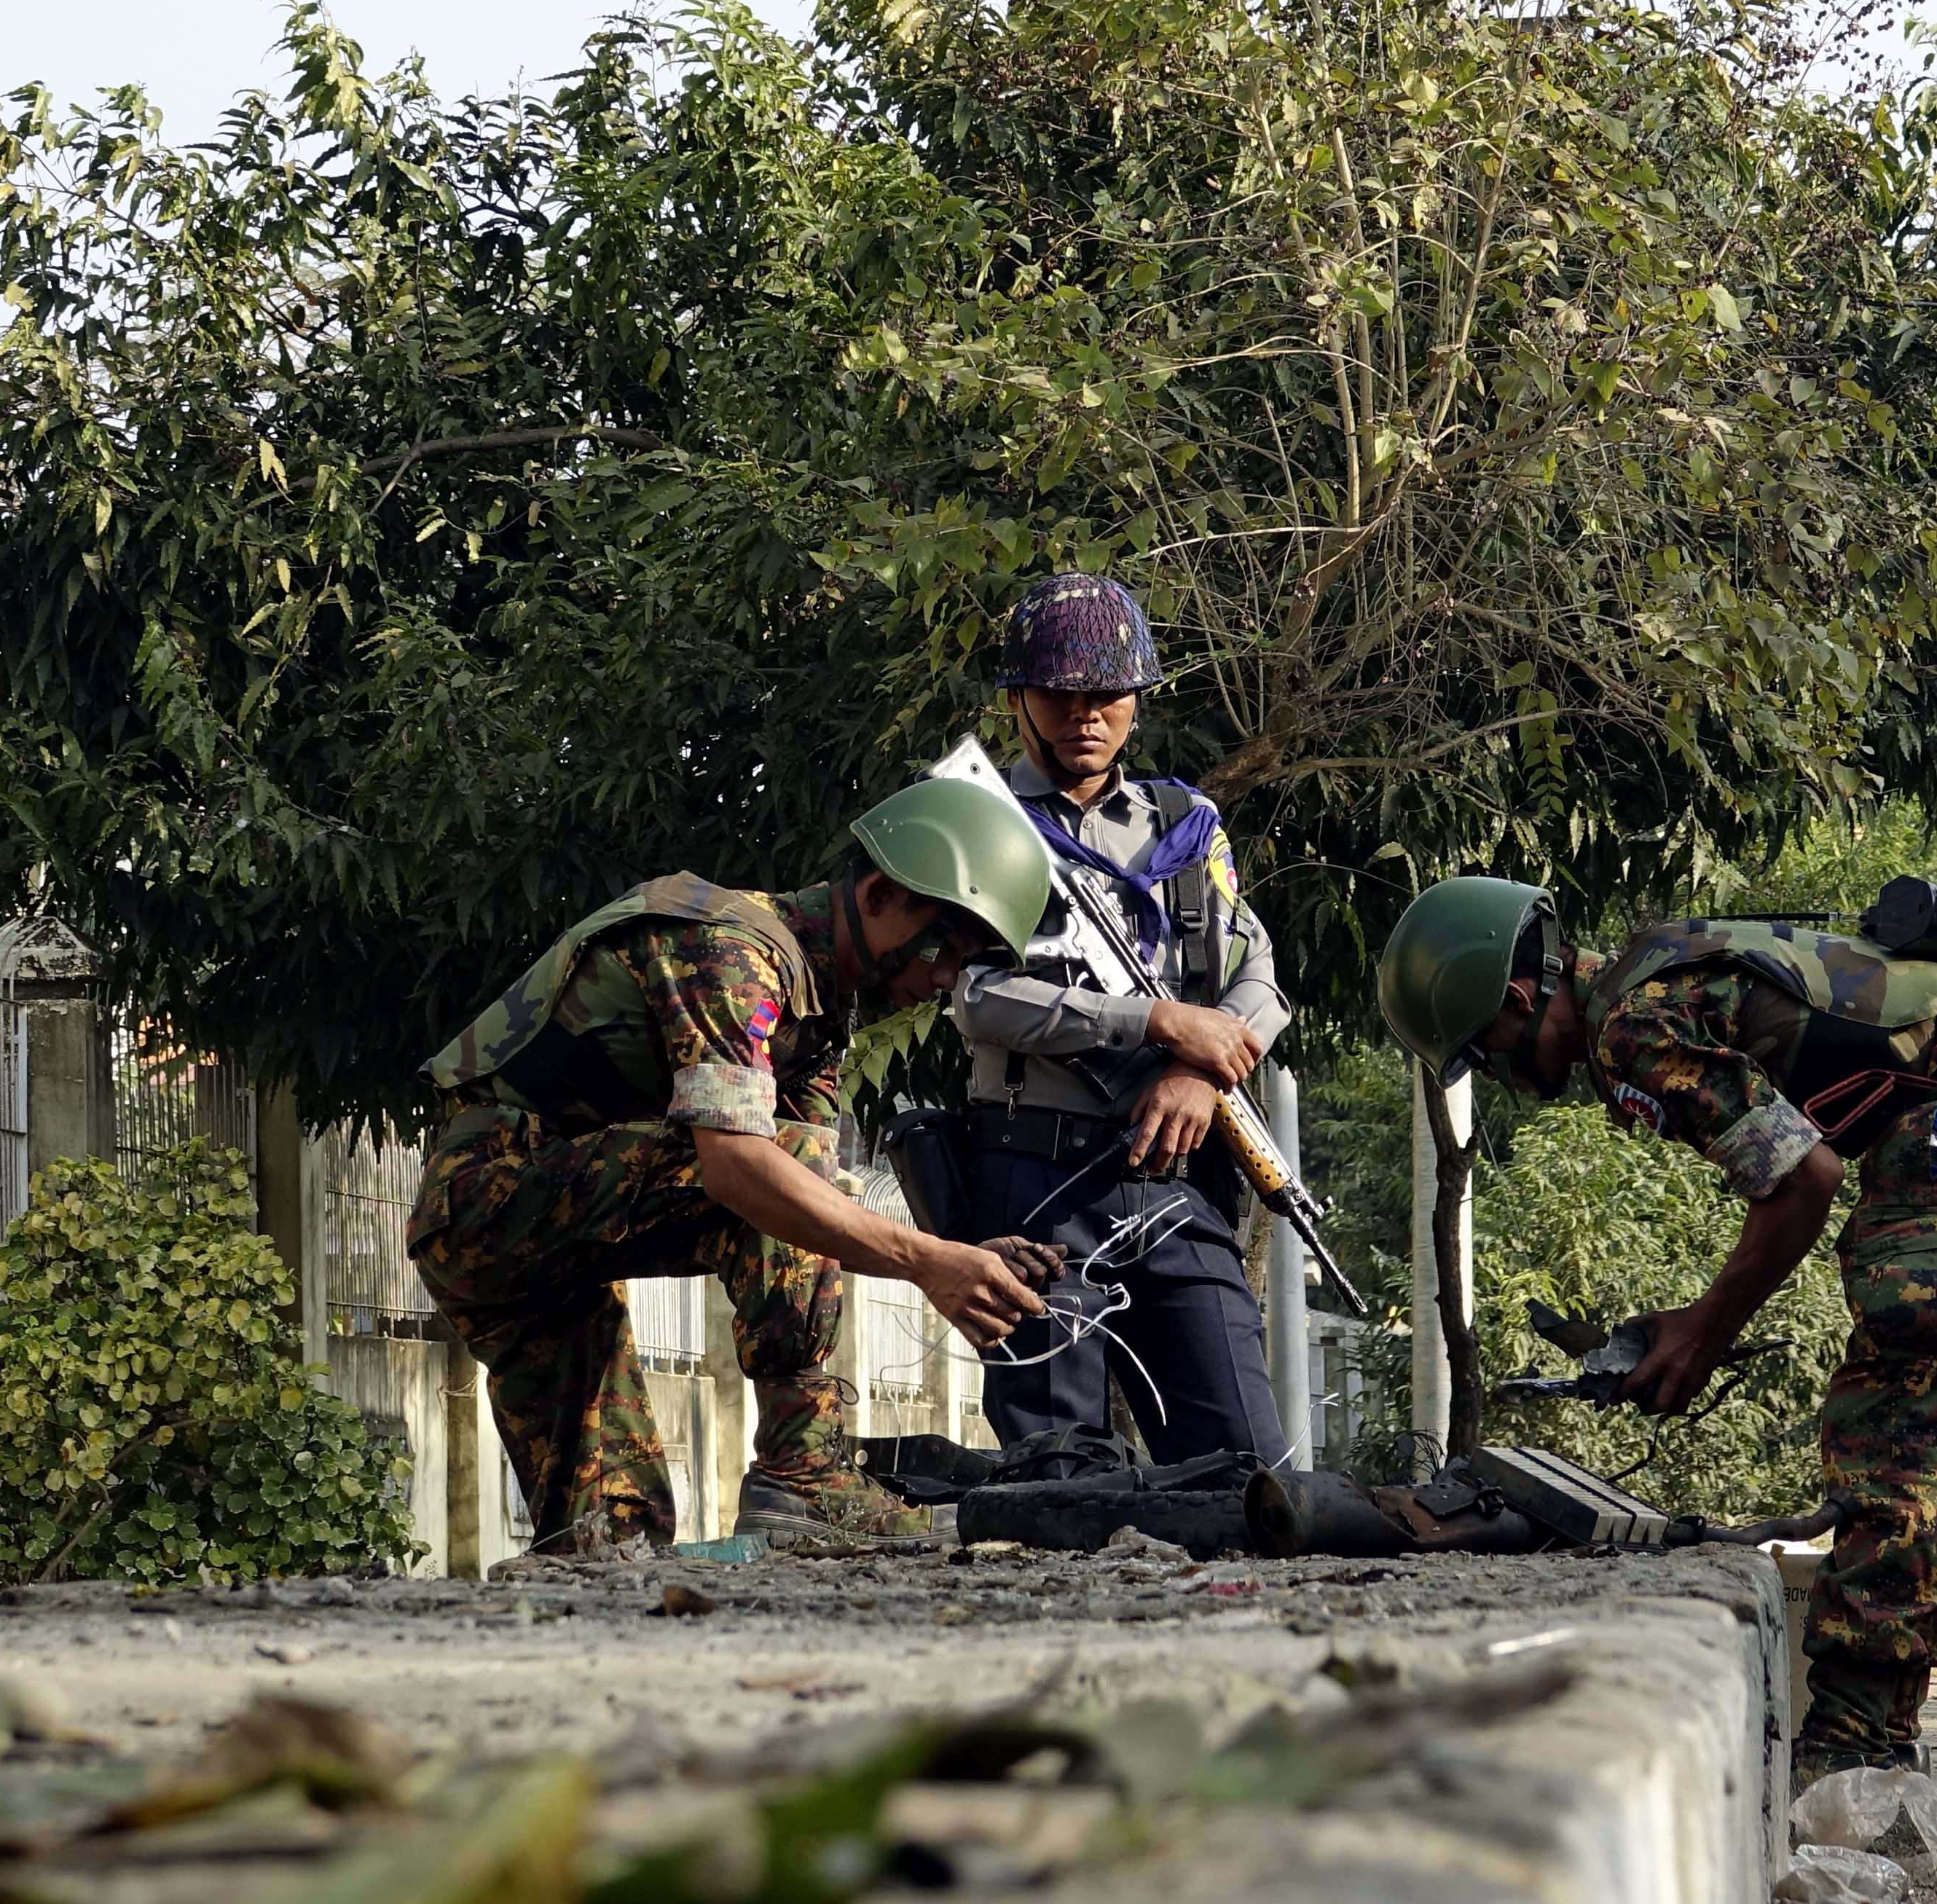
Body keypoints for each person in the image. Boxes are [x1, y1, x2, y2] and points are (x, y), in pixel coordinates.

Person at [1376, 880, 1937, 1774]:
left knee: (1899, 1427)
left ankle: (1846, 1752)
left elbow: (1806, 1180)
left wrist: (1704, 1332)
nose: (1505, 1076)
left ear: (1518, 1001)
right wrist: (1692, 1323)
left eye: (1485, 1055)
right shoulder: (1652, 973)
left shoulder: (1629, 1029)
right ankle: (1879, 1741)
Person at [408, 780, 1059, 1551]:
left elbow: (816, 1209)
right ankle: (805, 1470)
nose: (946, 977)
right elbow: (741, 1173)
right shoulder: (732, 951)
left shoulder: (818, 1012)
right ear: (881, 894)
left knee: (613, 1540)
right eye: (942, 945)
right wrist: (926, 1263)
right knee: (780, 1164)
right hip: (486, 1200)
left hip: (556, 1234)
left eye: (968, 960)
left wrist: (958, 1255)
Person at [944, 574, 1294, 1463]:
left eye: (1108, 696)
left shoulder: (1184, 825)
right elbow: (977, 995)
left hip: (1177, 1179)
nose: (1085, 716)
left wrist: (1199, 1069)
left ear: (1137, 701)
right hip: (1036, 1180)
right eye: (1060, 695)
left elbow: (1258, 978)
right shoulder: (978, 822)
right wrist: (1155, 1023)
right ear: (1019, 699)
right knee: (1059, 1466)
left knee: (1246, 1462)